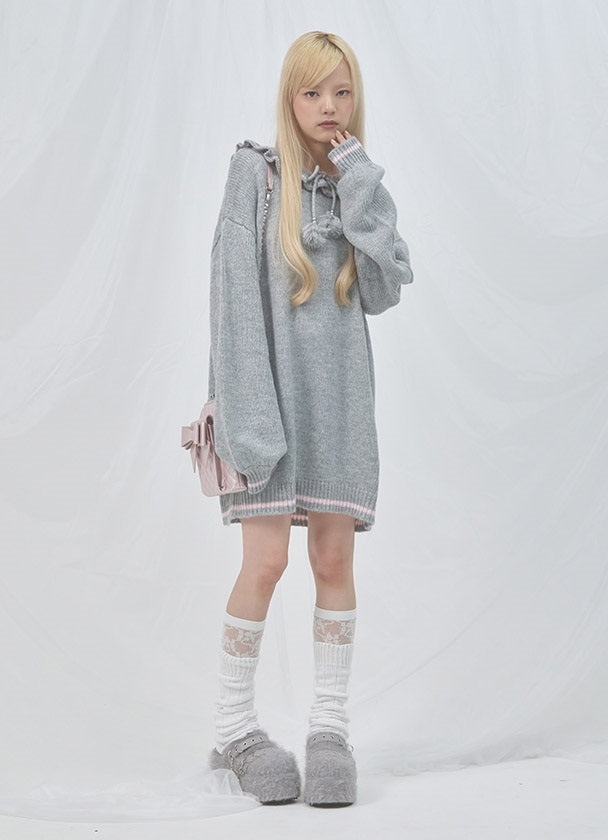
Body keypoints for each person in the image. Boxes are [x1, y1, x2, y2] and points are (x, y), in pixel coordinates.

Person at [206, 31, 414, 807]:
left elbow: (385, 289)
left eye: (342, 92)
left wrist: (358, 177)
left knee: (333, 559)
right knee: (265, 563)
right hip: (266, 397)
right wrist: (249, 421)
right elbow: (231, 301)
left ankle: (329, 728)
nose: (329, 107)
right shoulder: (254, 176)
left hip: (341, 404)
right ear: (288, 99)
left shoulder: (354, 185)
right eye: (312, 92)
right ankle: (234, 729)